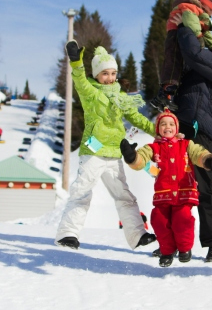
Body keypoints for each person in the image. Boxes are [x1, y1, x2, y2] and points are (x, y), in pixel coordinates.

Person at [55, 41, 157, 251]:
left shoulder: (121, 98)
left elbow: (137, 118)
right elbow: (80, 81)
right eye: (105, 74)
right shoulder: (91, 93)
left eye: (113, 73)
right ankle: (68, 234)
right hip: (93, 151)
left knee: (124, 196)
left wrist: (160, 131)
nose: (110, 78)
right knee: (82, 192)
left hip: (114, 153)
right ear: (97, 75)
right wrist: (76, 62)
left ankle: (137, 235)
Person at [160, 25, 212, 262]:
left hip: (202, 133)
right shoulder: (207, 64)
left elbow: (194, 53)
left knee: (204, 188)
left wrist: (185, 26)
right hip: (180, 129)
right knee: (172, 187)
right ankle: (171, 243)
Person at [120, 110, 212, 267]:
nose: (167, 127)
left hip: (184, 192)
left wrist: (209, 160)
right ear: (158, 129)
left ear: (176, 128)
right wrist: (131, 157)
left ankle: (184, 249)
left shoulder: (186, 144)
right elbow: (141, 159)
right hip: (163, 195)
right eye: (163, 124)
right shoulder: (153, 147)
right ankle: (167, 251)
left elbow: (198, 153)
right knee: (158, 219)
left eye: (171, 124)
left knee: (182, 219)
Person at [151, 0, 212, 112]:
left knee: (178, 65)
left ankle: (164, 95)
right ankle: (166, 94)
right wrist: (199, 38)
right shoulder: (191, 8)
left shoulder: (199, 13)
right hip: (175, 35)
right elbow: (191, 23)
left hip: (179, 35)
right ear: (205, 3)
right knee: (174, 63)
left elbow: (206, 32)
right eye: (211, 10)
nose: (210, 14)